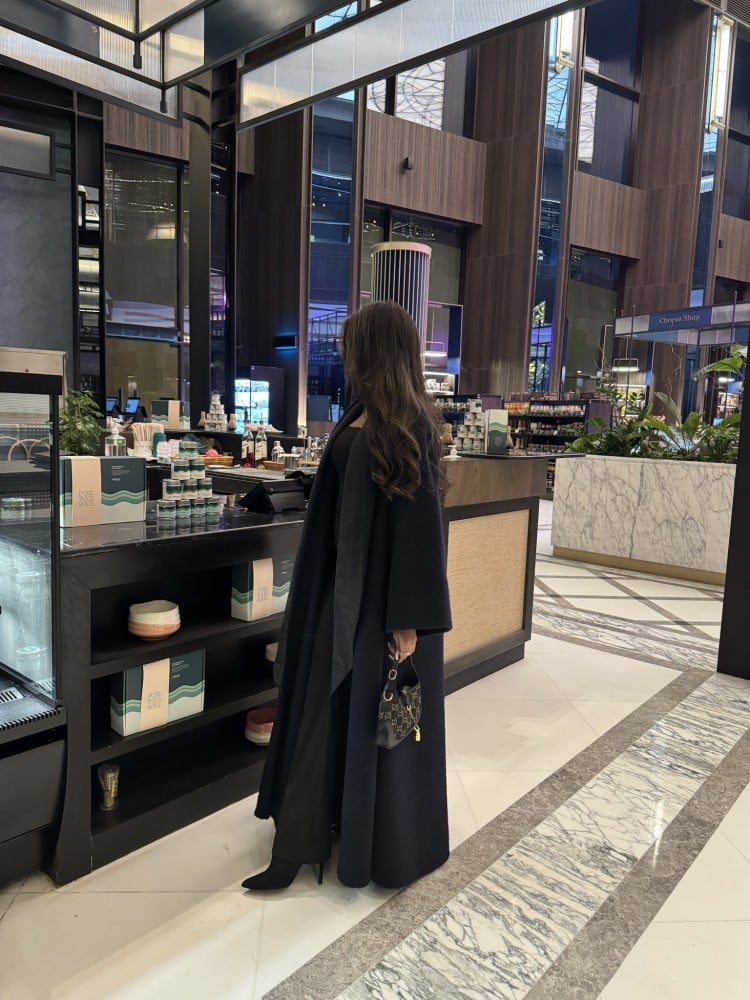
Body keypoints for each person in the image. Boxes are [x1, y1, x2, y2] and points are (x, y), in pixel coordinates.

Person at [244, 300, 452, 892]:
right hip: (335, 589)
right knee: (320, 702)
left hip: (379, 603)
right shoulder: (360, 413)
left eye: (353, 345)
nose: (345, 355)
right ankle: (310, 832)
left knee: (352, 713)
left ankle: (318, 847)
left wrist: (408, 621)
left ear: (377, 351)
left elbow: (420, 528)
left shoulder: (408, 424)